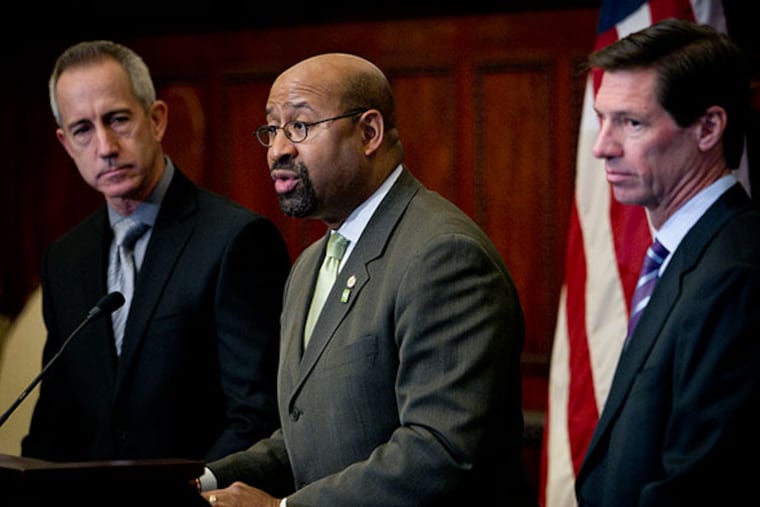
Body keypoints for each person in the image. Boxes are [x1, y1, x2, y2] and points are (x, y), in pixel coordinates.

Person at [195, 53, 537, 506]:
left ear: (369, 133)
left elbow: (440, 451)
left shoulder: (443, 255)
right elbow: (311, 431)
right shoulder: (310, 264)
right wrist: (204, 481)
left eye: (300, 126)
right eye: (272, 129)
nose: (278, 149)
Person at [21, 40, 291, 463]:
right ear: (66, 143)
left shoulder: (235, 240)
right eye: (83, 130)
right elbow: (56, 420)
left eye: (118, 120)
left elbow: (256, 416)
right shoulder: (64, 258)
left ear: (157, 119)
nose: (105, 147)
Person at [575, 19, 760, 506]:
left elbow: (700, 484)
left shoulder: (735, 274)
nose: (602, 147)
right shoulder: (684, 253)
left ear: (708, 127)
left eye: (631, 123)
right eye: (602, 118)